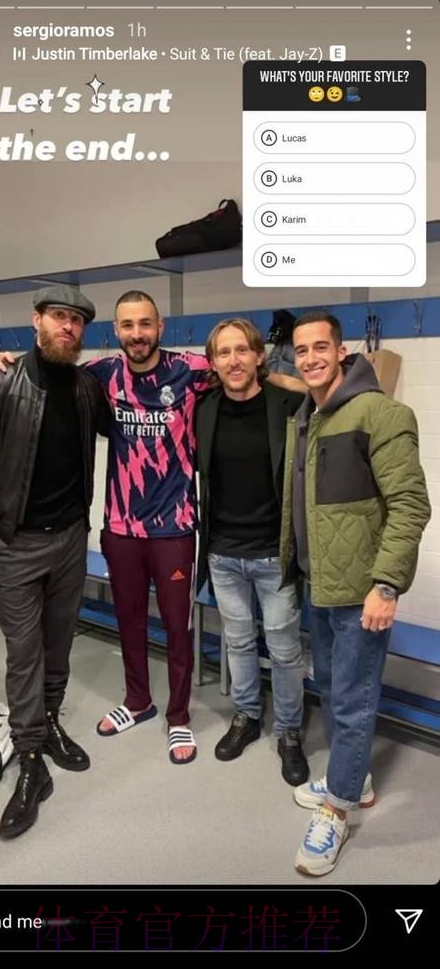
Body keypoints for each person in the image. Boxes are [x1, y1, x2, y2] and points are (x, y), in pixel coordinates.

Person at [0, 291, 211, 764]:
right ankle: (138, 701)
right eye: (127, 325)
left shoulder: (191, 370)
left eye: (145, 324)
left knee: (176, 627)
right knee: (129, 620)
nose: (137, 334)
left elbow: (247, 372)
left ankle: (179, 717)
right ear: (116, 330)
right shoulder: (99, 375)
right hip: (120, 526)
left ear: (161, 327)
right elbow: (45, 371)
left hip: (173, 528)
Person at [0, 285, 108, 840]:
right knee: (24, 654)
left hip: (71, 540)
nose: (68, 327)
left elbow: (134, 407)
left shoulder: (87, 387)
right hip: (17, 546)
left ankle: (50, 722)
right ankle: (31, 758)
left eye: (77, 320)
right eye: (58, 316)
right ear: (37, 320)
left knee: (59, 643)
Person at [279, 311, 431, 875]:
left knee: (352, 699)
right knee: (333, 688)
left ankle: (337, 809)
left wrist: (386, 585)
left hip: (362, 592)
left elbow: (410, 506)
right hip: (320, 583)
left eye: (321, 347)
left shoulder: (380, 414)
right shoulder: (308, 416)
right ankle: (355, 778)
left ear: (342, 351)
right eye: (301, 350)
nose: (311, 358)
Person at [196, 319, 309, 786]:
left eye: (242, 350)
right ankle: (246, 715)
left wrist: (288, 380)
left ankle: (289, 731)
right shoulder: (204, 408)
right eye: (224, 353)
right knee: (238, 642)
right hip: (222, 552)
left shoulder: (287, 403)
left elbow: (331, 389)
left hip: (273, 554)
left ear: (260, 355)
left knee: (284, 650)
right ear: (213, 362)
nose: (234, 360)